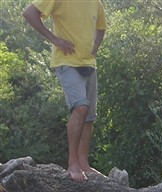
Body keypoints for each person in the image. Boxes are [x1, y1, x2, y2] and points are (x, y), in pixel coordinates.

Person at [23, 0, 106, 182]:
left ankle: (84, 163)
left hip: (89, 64)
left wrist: (95, 47)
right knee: (80, 107)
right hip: (66, 62)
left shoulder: (96, 2)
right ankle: (73, 163)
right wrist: (54, 39)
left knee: (89, 117)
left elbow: (101, 28)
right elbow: (29, 13)